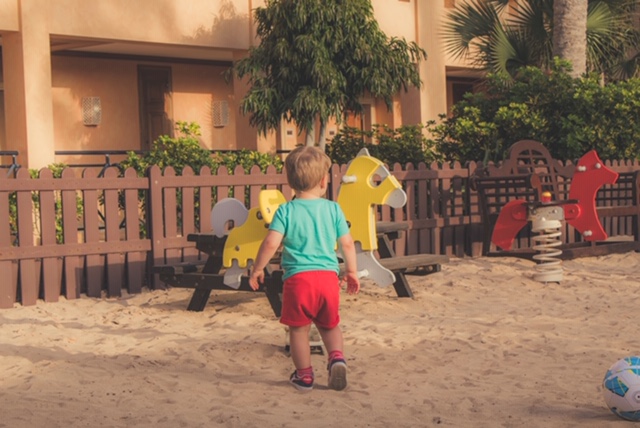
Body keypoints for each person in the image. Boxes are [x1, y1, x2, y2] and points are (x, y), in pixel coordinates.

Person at [249, 146, 360, 392]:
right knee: (329, 325)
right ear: (323, 181)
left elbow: (270, 243)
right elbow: (348, 243)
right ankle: (337, 358)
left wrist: (258, 269)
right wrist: (351, 271)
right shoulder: (333, 209)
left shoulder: (286, 211)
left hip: (299, 280)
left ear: (290, 182)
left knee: (299, 329)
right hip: (329, 280)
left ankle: (304, 376)